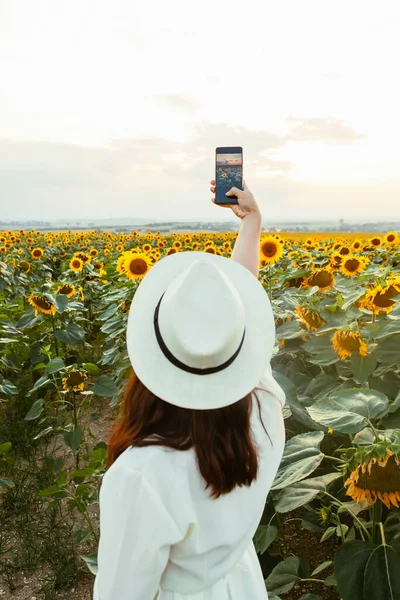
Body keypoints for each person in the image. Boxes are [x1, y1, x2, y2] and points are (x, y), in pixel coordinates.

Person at [92, 178, 286, 600]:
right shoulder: (264, 410)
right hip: (241, 583)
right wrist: (252, 224)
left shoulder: (143, 475)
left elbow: (122, 592)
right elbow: (226, 330)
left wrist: (251, 225)